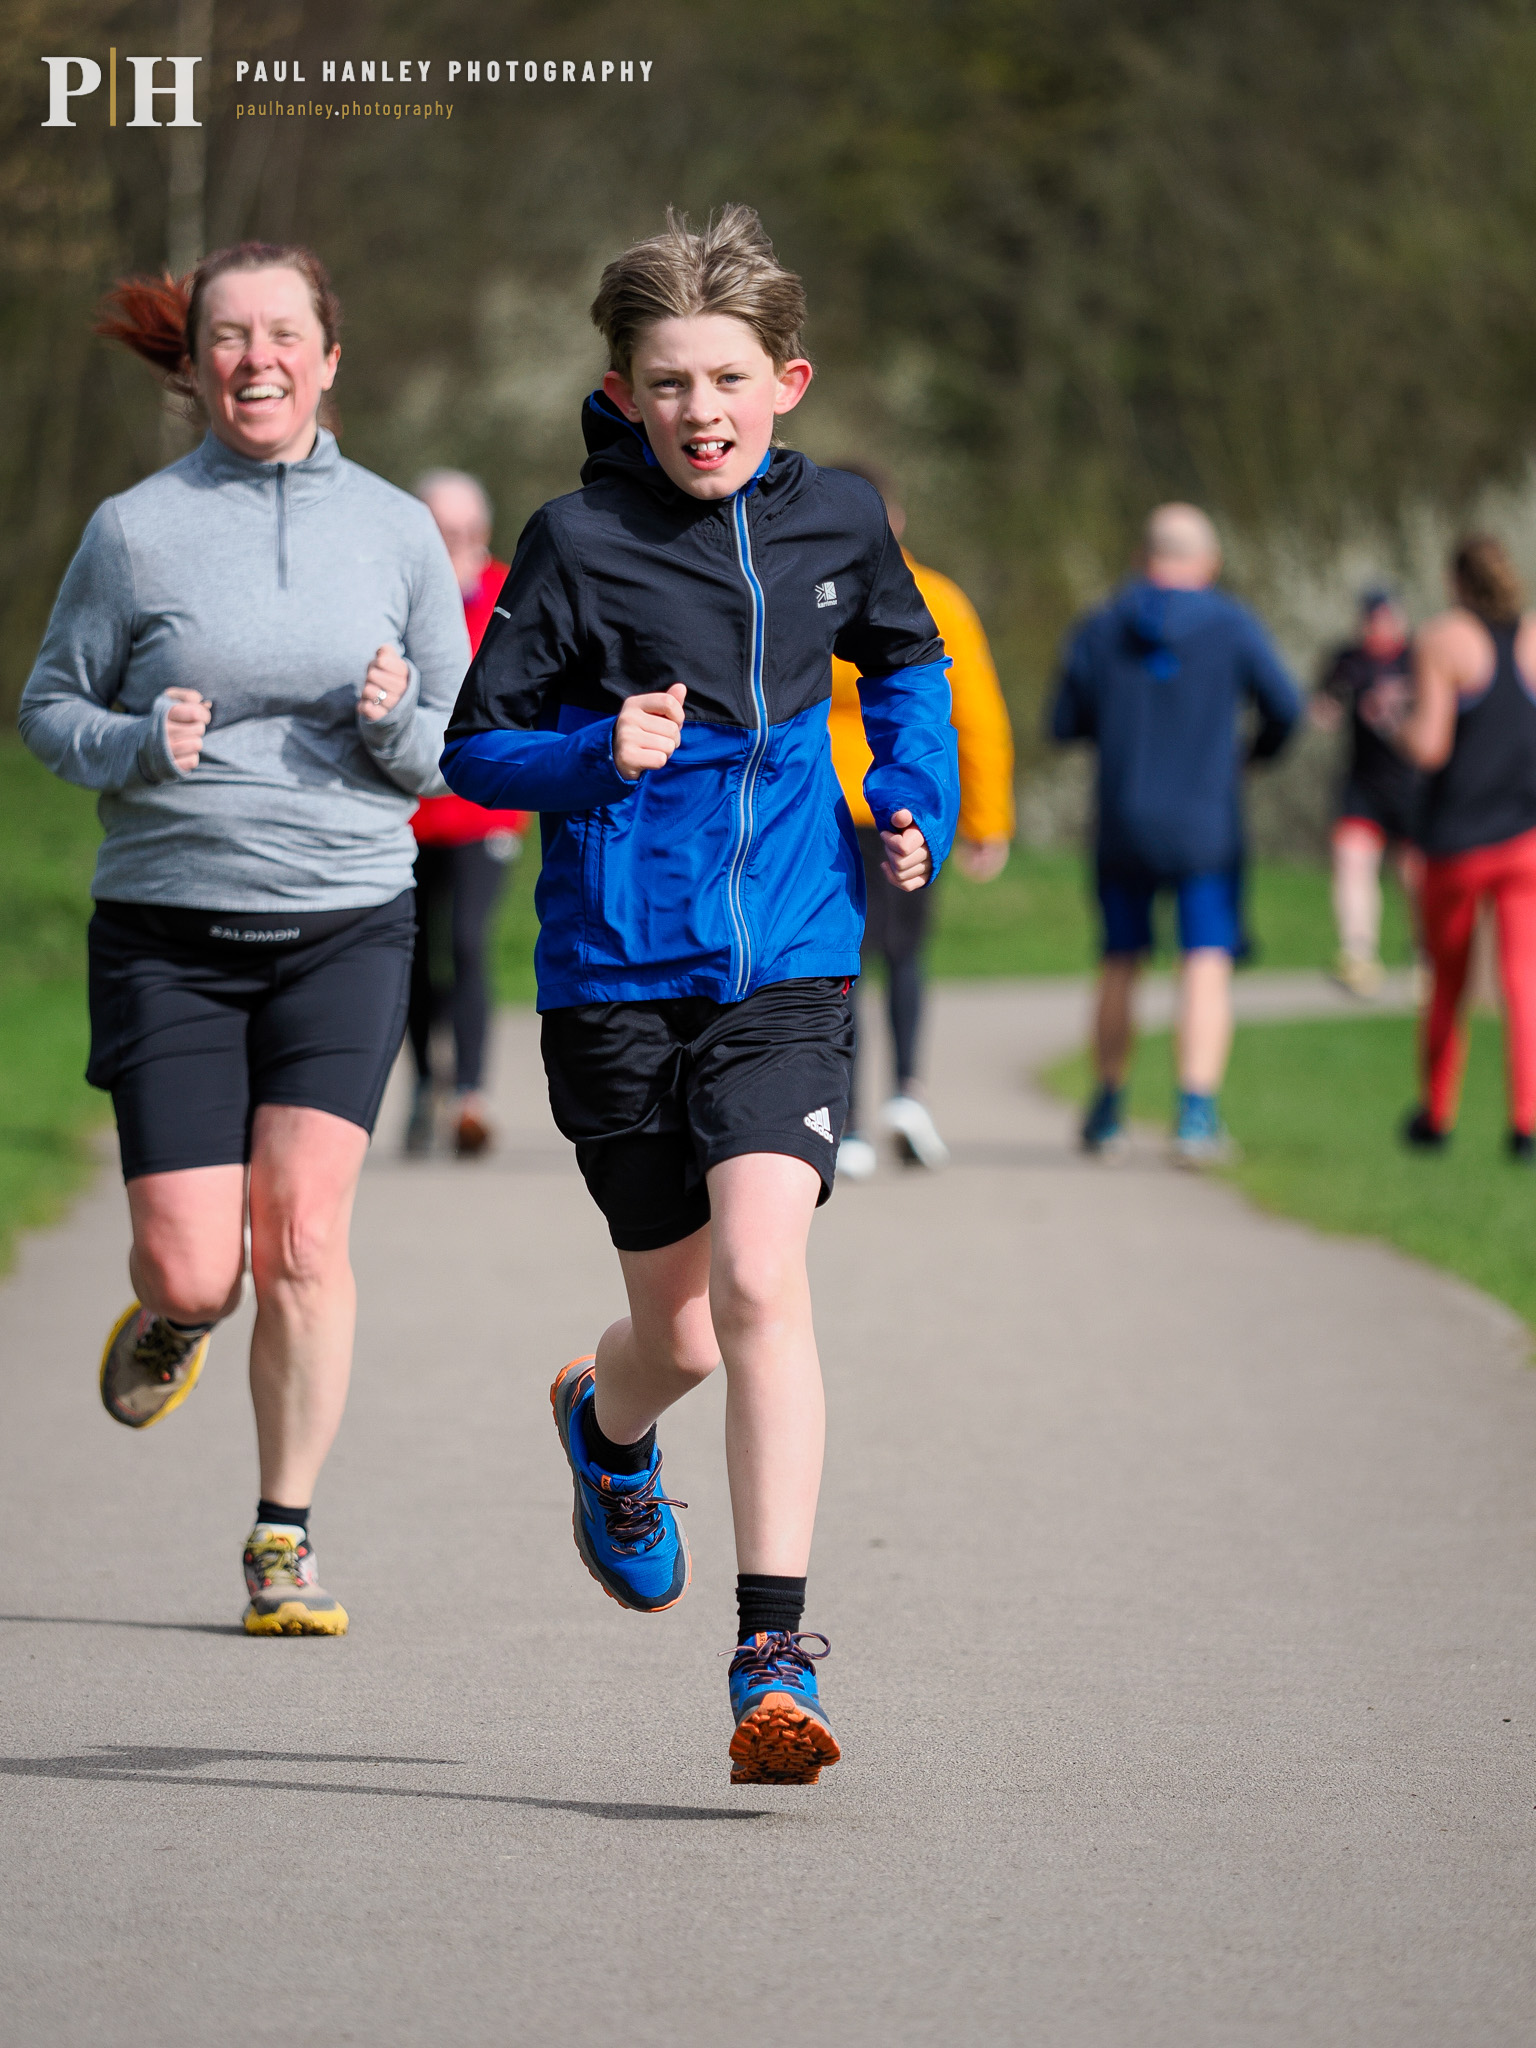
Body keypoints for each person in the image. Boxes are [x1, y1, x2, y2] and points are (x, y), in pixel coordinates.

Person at [440, 206, 959, 1783]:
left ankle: (772, 1652)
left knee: (758, 1283)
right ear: (623, 388)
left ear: (786, 378)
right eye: (667, 383)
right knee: (677, 1332)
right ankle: (605, 1431)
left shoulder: (841, 521)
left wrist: (906, 788)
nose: (700, 410)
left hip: (791, 962)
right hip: (613, 980)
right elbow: (474, 749)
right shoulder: (574, 544)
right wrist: (599, 750)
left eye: (727, 377)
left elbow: (908, 659)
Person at [18, 242, 470, 1633]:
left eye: (284, 333)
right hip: (170, 932)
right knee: (197, 1264)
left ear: (330, 358)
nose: (256, 357)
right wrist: (137, 741)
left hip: (345, 920)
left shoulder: (396, 532)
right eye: (229, 335)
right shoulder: (134, 531)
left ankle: (284, 1537)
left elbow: (459, 752)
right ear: (198, 360)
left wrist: (399, 725)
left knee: (306, 1241)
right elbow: (49, 710)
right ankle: (172, 1319)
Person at [1050, 503, 1301, 1164]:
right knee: (1205, 963)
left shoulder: (1101, 626)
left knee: (1119, 960)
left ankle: (1106, 1108)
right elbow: (1287, 709)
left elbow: (1064, 720)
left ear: (1143, 557)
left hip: (1124, 819)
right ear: (1208, 564)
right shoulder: (1231, 625)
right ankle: (1194, 1118)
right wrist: (1251, 756)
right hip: (1205, 825)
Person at [826, 461, 1014, 1178]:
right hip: (901, 804)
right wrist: (984, 821)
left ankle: (846, 1122)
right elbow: (976, 715)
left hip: (827, 809)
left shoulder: (802, 595)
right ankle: (908, 1095)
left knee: (839, 963)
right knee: (902, 956)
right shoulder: (934, 597)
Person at [1398, 534, 1536, 1160]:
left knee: (1448, 980)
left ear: (1456, 580)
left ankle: (1437, 1113)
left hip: (1457, 842)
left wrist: (1394, 725)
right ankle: (1526, 1122)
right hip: (1526, 839)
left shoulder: (1443, 639)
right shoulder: (1532, 638)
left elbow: (1431, 746)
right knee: (1524, 980)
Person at [406, 469, 528, 1157]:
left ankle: (472, 1096)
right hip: (410, 810)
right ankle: (428, 1082)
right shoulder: (395, 594)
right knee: (419, 954)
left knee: (471, 942)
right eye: (441, 531)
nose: (456, 544)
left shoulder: (511, 594)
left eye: (466, 532)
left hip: (485, 808)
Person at [1311, 586, 1423, 996]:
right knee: (1351, 860)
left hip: (1413, 784)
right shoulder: (1347, 660)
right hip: (1363, 784)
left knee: (1413, 874)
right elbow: (1323, 708)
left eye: (1385, 617)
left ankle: (1425, 953)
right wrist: (1325, 711)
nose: (1377, 626)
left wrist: (1395, 711)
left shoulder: (1418, 657)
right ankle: (1358, 955)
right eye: (1371, 618)